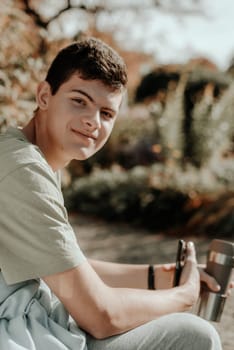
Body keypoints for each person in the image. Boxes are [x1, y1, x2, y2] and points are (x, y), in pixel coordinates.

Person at [0, 37, 233, 350]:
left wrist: (164, 276)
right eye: (79, 101)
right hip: (26, 335)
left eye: (106, 113)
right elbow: (101, 315)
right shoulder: (22, 169)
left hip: (40, 324)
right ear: (44, 95)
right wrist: (182, 296)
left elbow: (68, 268)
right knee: (194, 335)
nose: (92, 121)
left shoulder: (29, 157)